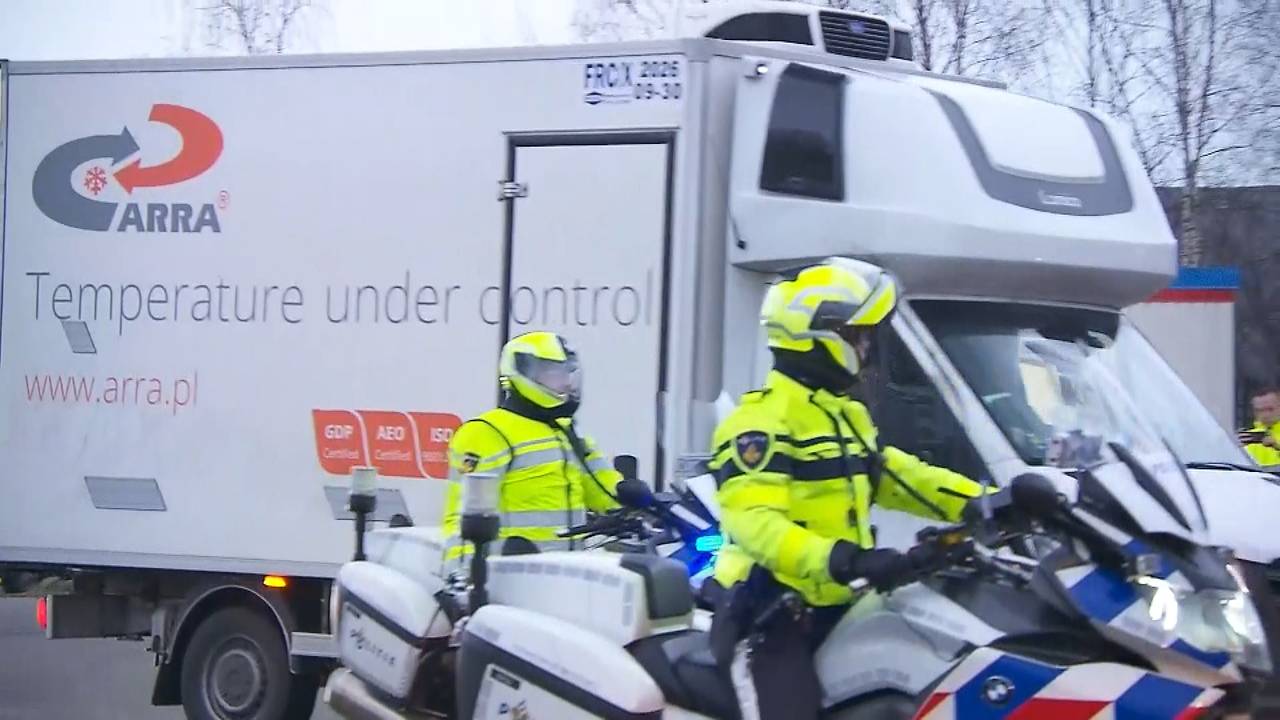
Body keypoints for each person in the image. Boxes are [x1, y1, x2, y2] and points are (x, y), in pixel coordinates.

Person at [707, 257, 985, 720]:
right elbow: (757, 525)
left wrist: (982, 501)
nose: (868, 347)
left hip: (836, 601)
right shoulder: (759, 424)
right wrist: (844, 559)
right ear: (823, 338)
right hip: (767, 613)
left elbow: (899, 476)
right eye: (860, 335)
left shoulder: (843, 415)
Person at [439, 331, 622, 568]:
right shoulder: (486, 432)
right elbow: (463, 518)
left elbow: (603, 489)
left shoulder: (566, 430)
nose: (566, 383)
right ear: (524, 375)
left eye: (567, 372)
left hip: (571, 572)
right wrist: (461, 580)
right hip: (512, 575)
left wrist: (643, 501)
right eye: (554, 373)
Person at [1240, 387, 1280, 466]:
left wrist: (1277, 447)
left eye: (1270, 409)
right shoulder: (1248, 437)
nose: (1265, 415)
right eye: (1260, 410)